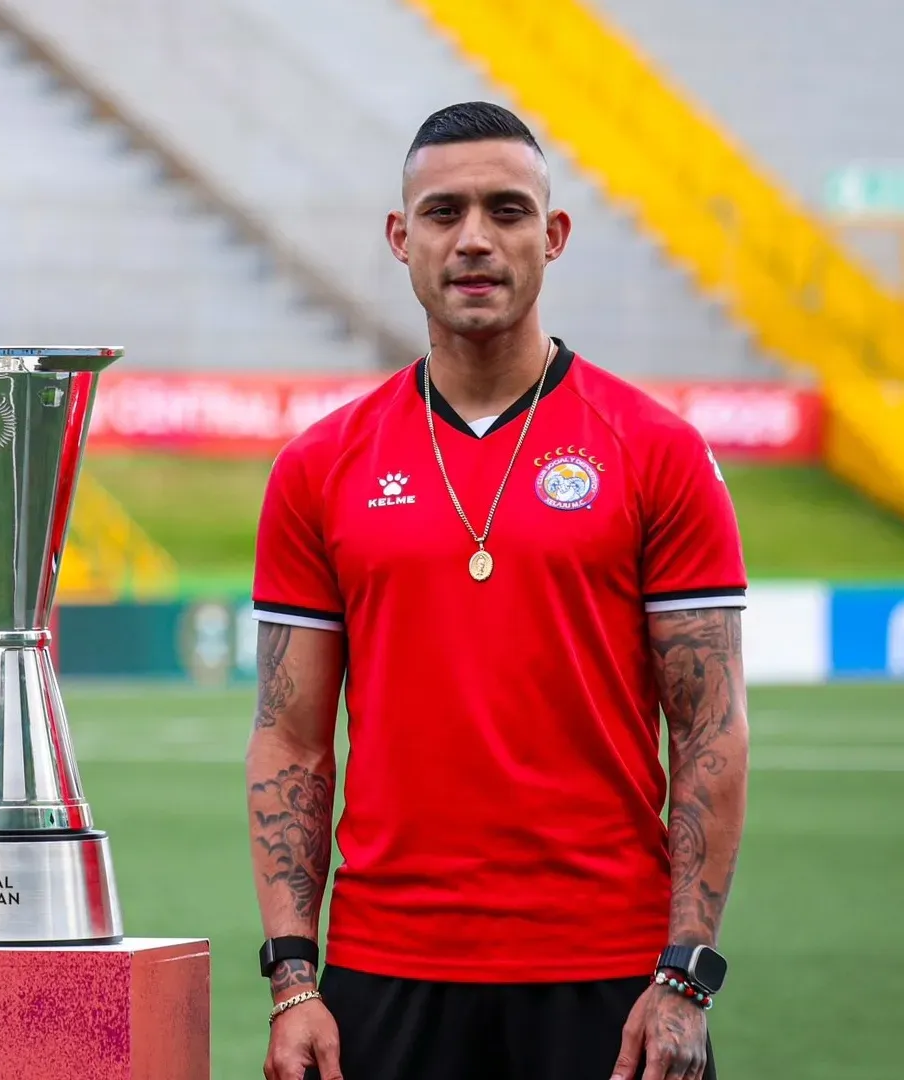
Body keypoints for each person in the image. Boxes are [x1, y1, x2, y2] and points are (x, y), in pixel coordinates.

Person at [246, 101, 748, 1080]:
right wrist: (293, 981)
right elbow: (290, 740)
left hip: (610, 976)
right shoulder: (319, 467)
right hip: (385, 974)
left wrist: (684, 979)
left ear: (553, 235)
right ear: (401, 238)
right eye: (443, 212)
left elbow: (710, 727)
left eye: (507, 210)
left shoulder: (659, 453)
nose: (474, 238)